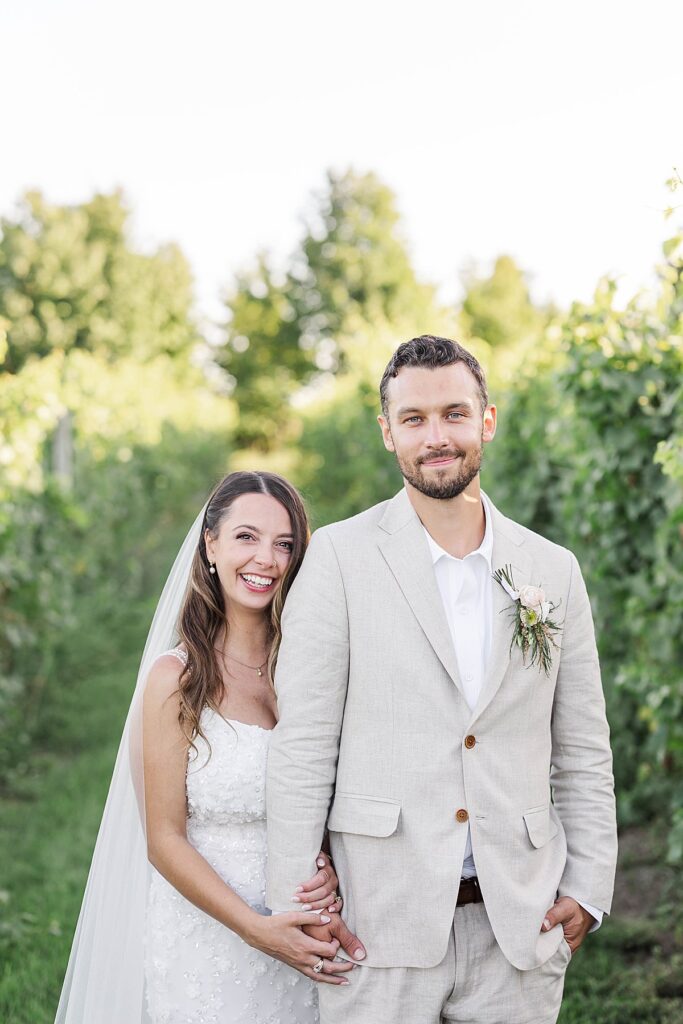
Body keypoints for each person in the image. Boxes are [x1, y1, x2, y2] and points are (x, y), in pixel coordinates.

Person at [266, 336, 618, 1024]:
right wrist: (295, 899)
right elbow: (303, 742)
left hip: (519, 925)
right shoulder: (338, 558)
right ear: (387, 432)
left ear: (487, 420)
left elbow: (582, 747)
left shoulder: (552, 569)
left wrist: (588, 887)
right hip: (375, 924)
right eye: (414, 419)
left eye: (454, 414)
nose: (437, 437)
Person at [55, 470, 363, 1024]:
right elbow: (163, 839)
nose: (266, 559)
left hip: (305, 925)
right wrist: (256, 930)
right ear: (211, 545)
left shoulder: (311, 666)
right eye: (247, 537)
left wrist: (329, 862)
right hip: (211, 937)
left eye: (284, 544)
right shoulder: (177, 678)